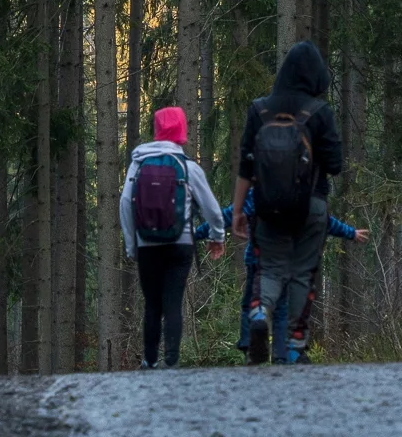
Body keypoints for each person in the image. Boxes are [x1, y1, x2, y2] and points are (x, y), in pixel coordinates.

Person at [229, 40, 344, 365]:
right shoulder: (320, 112)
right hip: (311, 207)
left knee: (272, 269)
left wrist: (238, 210)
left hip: (267, 209)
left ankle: (259, 314)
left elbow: (246, 167)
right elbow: (335, 165)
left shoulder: (259, 109)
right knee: (301, 273)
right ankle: (294, 346)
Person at [120, 105, 226, 368]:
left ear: (157, 130)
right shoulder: (188, 167)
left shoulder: (139, 163)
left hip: (147, 245)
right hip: (180, 245)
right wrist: (217, 236)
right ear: (182, 130)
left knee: (152, 304)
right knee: (173, 302)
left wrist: (132, 246)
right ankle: (172, 361)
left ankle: (150, 361)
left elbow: (125, 203)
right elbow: (212, 209)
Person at [226, 190, 368, 362]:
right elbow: (320, 219)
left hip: (259, 259)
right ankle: (283, 355)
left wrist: (201, 230)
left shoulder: (259, 191)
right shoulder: (299, 191)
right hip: (291, 260)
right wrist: (350, 232)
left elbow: (231, 213)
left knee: (253, 305)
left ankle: (252, 344)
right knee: (282, 311)